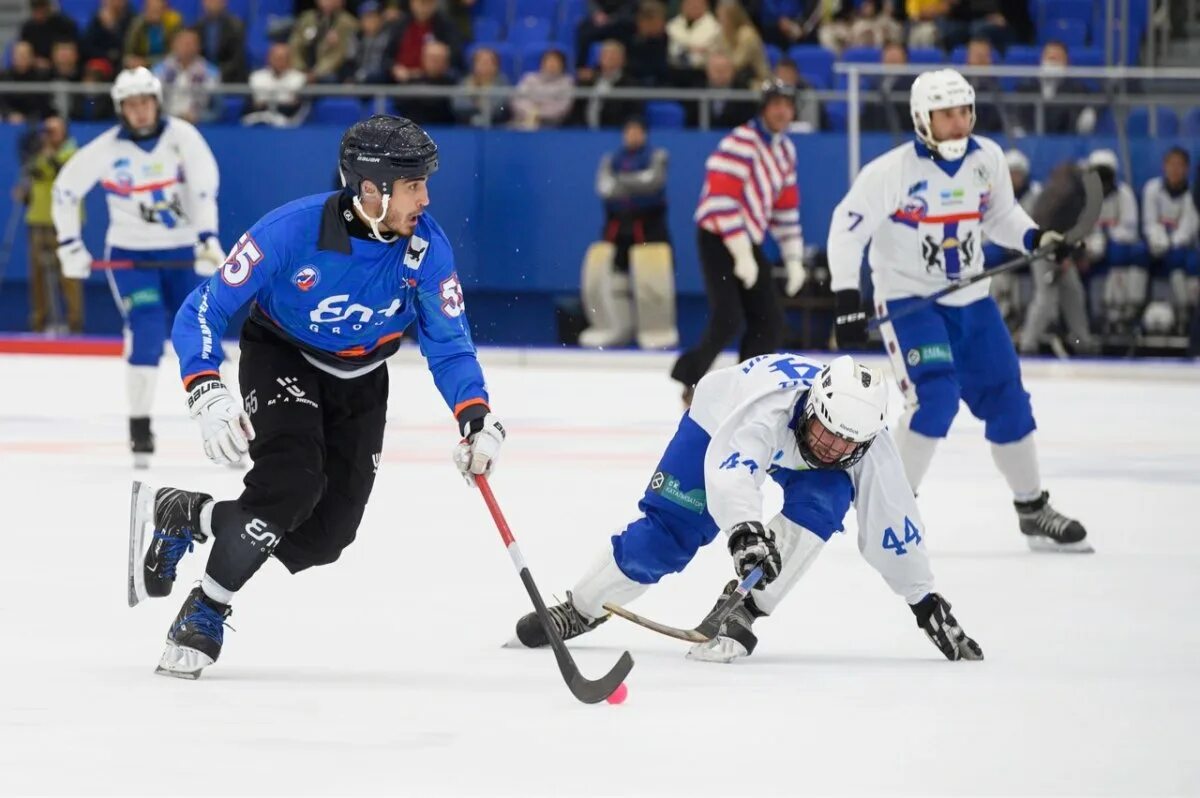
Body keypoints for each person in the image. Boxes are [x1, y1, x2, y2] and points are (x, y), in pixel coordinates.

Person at [127, 115, 506, 679]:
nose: (425, 199)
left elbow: (449, 345)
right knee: (291, 484)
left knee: (326, 536)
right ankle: (206, 607)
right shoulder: (291, 231)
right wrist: (205, 389)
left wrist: (476, 416)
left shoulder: (428, 250)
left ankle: (188, 514)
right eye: (412, 186)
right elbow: (204, 308)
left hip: (362, 378)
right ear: (370, 190)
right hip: (282, 357)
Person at [511, 354, 984, 664]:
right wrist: (745, 533)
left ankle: (745, 606)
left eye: (847, 442)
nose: (831, 448)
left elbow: (894, 525)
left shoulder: (867, 444)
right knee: (666, 536)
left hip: (778, 445)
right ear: (813, 406)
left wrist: (925, 603)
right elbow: (733, 471)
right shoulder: (767, 412)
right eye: (827, 430)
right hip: (719, 418)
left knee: (828, 495)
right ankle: (581, 607)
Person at [827, 68, 1090, 552]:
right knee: (935, 398)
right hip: (910, 302)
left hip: (972, 299)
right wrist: (847, 296)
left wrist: (1034, 236)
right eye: (947, 113)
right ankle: (890, 513)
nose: (959, 122)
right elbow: (848, 228)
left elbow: (1000, 215)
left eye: (965, 111)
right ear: (922, 118)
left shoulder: (986, 158)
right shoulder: (891, 172)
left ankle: (1032, 510)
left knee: (1008, 398)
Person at [51, 67, 224, 467]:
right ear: (121, 109)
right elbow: (64, 190)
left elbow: (203, 188)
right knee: (146, 329)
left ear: (157, 103)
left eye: (146, 102)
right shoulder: (108, 148)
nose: (141, 111)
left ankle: (222, 419)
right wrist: (69, 244)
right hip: (131, 256)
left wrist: (207, 238)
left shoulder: (182, 137)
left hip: (183, 251)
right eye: (132, 104)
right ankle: (140, 425)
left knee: (202, 334)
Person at [671, 79, 806, 405]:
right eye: (776, 104)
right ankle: (691, 379)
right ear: (764, 107)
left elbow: (785, 207)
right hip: (718, 235)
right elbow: (720, 200)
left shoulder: (786, 150)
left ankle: (748, 386)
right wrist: (741, 253)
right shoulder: (740, 142)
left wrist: (794, 258)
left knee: (770, 319)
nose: (782, 111)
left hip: (748, 238)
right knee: (728, 316)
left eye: (787, 105)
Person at [580, 116, 675, 349]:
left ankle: (656, 329)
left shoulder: (657, 156)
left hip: (650, 227)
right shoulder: (611, 159)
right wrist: (633, 184)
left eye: (637, 131)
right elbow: (604, 188)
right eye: (629, 131)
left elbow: (652, 182)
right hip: (616, 228)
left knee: (652, 280)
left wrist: (621, 182)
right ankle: (615, 326)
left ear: (644, 134)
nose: (633, 135)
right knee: (610, 277)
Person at [1017, 160, 1097, 355]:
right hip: (1045, 250)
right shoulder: (1069, 195)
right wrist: (1065, 256)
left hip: (1058, 251)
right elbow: (1060, 227)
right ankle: (1028, 344)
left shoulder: (1064, 191)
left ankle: (1082, 341)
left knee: (1073, 293)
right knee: (1046, 297)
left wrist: (1070, 255)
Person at [19, 115, 83, 334]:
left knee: (69, 275)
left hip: (65, 224)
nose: (49, 135)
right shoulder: (37, 152)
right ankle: (39, 322)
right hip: (38, 219)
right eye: (47, 130)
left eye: (54, 130)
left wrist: (48, 156)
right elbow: (32, 175)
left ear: (64, 132)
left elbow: (61, 173)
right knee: (37, 274)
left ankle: (74, 324)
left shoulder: (72, 152)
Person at [1083, 148, 1144, 336]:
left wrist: (1107, 237)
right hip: (1090, 251)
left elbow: (1130, 229)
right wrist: (1091, 243)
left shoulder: (1124, 194)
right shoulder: (1083, 196)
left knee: (1135, 253)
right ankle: (1087, 320)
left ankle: (1125, 315)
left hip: (1115, 248)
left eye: (1105, 175)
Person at [1141, 147, 1199, 335]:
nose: (1175, 169)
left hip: (1181, 248)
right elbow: (1149, 222)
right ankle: (1138, 312)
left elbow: (1188, 228)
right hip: (1155, 246)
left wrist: (1172, 243)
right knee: (1139, 256)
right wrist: (1158, 240)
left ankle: (1184, 313)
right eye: (1171, 164)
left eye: (1179, 165)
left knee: (1180, 261)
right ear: (1164, 166)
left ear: (1187, 169)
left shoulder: (1193, 194)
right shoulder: (1152, 189)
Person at [985, 148, 1040, 332]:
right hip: (1001, 253)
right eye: (1012, 173)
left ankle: (1023, 324)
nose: (1016, 178)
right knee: (995, 278)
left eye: (1019, 174)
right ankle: (998, 321)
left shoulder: (1035, 194)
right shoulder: (992, 195)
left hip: (1026, 252)